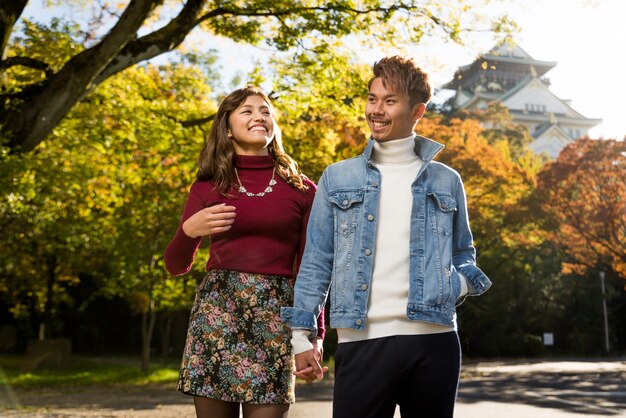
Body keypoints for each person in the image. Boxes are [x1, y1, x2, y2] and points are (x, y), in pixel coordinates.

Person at [281, 56, 492, 418]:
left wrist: (454, 286)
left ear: (417, 110)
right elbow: (317, 261)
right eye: (372, 98)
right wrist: (302, 336)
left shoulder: (447, 180)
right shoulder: (337, 177)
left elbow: (463, 253)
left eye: (389, 101)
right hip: (361, 342)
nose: (376, 110)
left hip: (434, 342)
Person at [164, 86, 325, 418]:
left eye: (265, 111)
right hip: (216, 316)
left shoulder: (303, 189)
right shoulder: (207, 186)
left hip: (276, 317)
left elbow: (314, 269)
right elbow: (175, 265)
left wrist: (313, 335)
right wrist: (188, 231)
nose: (259, 117)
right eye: (247, 111)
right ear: (227, 126)